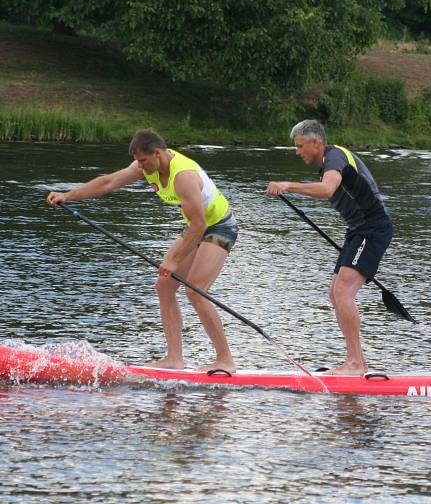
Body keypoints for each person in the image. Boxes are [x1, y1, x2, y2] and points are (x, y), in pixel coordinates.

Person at [46, 129, 239, 373]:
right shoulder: (147, 167)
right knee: (164, 285)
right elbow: (108, 182)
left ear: (157, 153)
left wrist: (173, 259)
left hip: (219, 226)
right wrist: (68, 196)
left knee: (195, 291)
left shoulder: (184, 176)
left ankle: (225, 360)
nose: (139, 166)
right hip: (196, 227)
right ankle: (174, 359)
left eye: (143, 161)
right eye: (137, 161)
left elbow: (200, 225)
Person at [265, 120, 392, 375]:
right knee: (335, 294)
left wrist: (289, 185)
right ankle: (356, 361)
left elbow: (327, 189)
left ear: (316, 143)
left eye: (300, 146)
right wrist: (348, 246)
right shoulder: (328, 162)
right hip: (358, 231)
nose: (297, 151)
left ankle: (356, 363)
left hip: (373, 229)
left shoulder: (334, 156)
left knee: (343, 291)